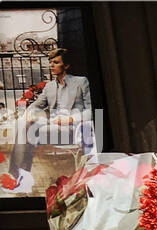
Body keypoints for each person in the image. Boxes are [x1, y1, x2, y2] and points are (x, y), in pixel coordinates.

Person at [1, 49, 92, 195]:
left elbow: (91, 111)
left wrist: (70, 119)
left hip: (72, 129)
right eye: (50, 62)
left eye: (56, 62)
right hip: (51, 128)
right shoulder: (49, 86)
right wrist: (31, 113)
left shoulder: (81, 82)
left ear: (66, 65)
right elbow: (35, 105)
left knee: (27, 132)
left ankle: (18, 177)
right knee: (25, 128)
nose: (51, 65)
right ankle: (22, 179)